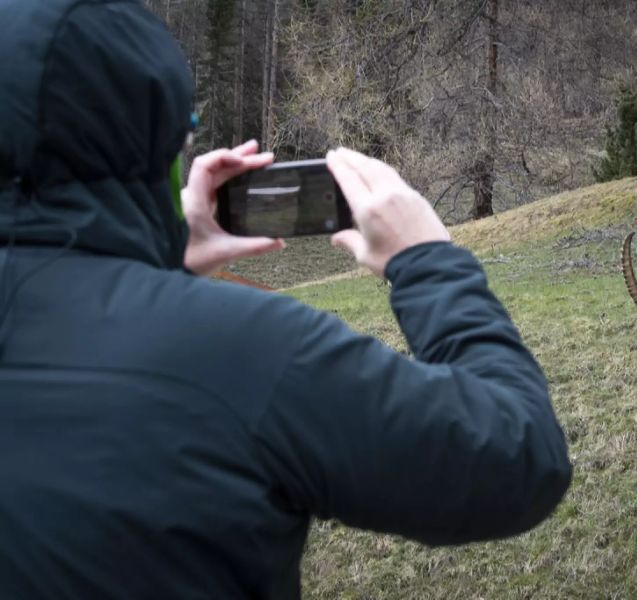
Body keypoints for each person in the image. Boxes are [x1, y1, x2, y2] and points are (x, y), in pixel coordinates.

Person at [0, 1, 571, 598]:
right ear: (158, 155)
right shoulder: (243, 351)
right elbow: (516, 455)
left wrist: (159, 259)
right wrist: (426, 260)